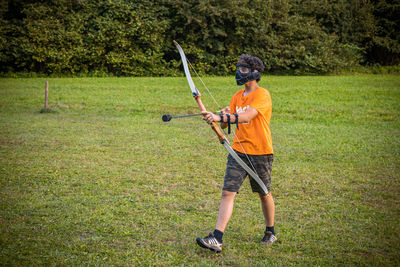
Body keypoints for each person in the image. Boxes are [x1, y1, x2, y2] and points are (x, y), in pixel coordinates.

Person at [196, 54, 276, 252]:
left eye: (244, 69)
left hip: (260, 152)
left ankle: (270, 231)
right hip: (238, 151)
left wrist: (221, 115)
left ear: (254, 73)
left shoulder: (262, 95)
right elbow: (225, 122)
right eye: (239, 68)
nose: (239, 72)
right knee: (227, 192)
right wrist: (217, 116)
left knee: (264, 193)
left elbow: (247, 116)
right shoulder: (237, 96)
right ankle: (217, 238)